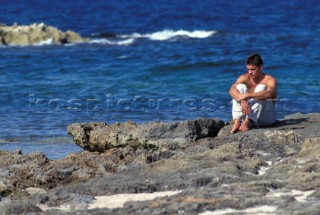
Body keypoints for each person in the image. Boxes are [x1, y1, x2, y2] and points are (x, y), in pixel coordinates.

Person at [229, 53, 277, 133]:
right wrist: (242, 100)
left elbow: (268, 94)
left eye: (253, 69)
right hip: (248, 114)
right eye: (248, 69)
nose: (250, 72)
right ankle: (237, 121)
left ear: (261, 67)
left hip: (266, 117)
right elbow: (232, 90)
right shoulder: (244, 77)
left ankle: (248, 122)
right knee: (240, 87)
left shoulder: (270, 80)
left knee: (261, 88)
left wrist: (247, 95)